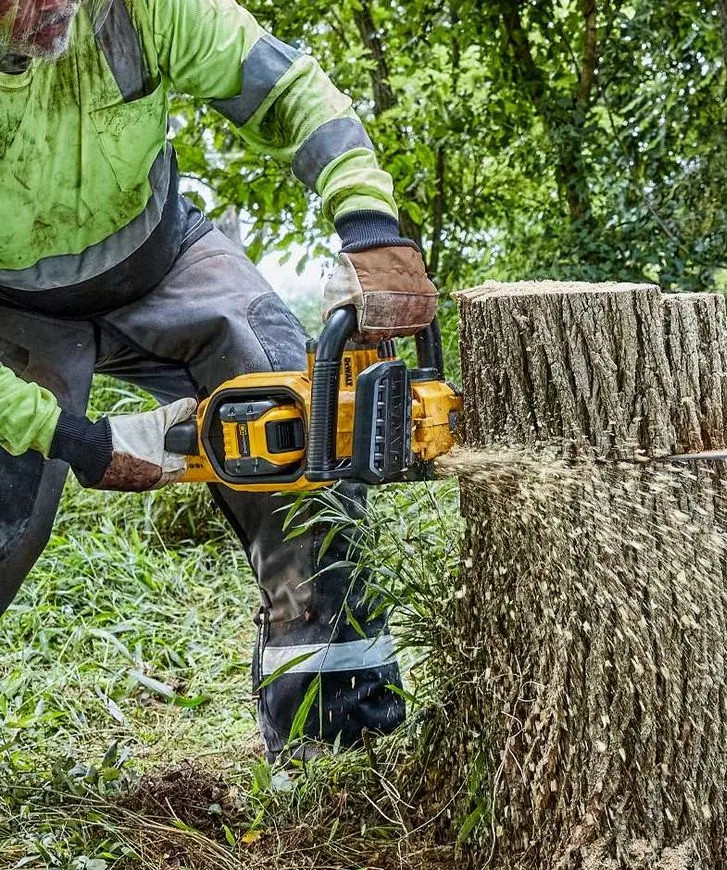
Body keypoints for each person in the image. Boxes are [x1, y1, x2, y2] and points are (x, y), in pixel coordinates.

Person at [0, 0, 438, 759]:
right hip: (13, 308)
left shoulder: (143, 9)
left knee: (302, 424)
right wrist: (67, 435)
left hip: (161, 255)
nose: (56, 5)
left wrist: (369, 225)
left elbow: (290, 88)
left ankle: (334, 736)